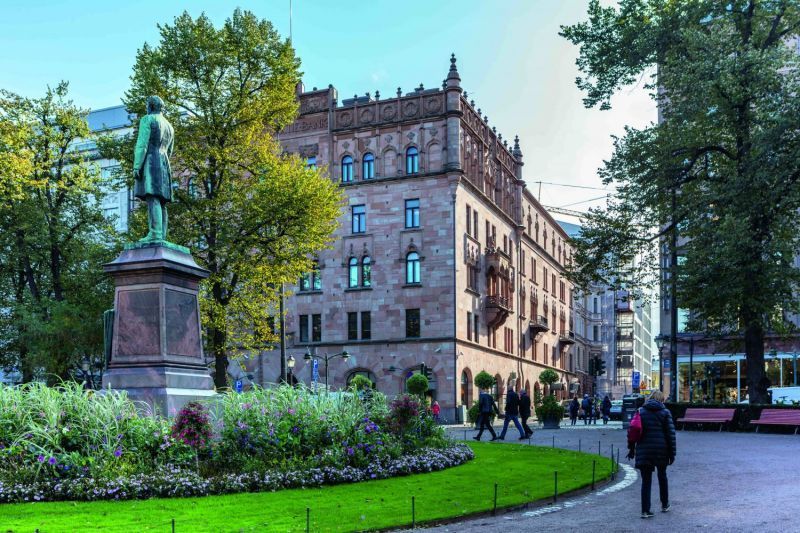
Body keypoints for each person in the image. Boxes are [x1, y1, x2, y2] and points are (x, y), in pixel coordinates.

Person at [627, 390, 676, 519]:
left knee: (646, 481)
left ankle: (645, 510)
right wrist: (672, 454)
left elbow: (633, 430)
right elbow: (670, 435)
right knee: (662, 476)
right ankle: (665, 504)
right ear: (661, 400)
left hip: (644, 450)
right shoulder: (665, 413)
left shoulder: (640, 411)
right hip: (661, 450)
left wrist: (631, 449)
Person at [133, 95, 175, 242]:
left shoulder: (148, 119)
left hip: (151, 161)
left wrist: (137, 165)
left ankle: (155, 233)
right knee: (162, 201)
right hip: (164, 163)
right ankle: (161, 235)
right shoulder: (169, 126)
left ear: (150, 106)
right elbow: (170, 150)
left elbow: (142, 145)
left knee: (153, 198)